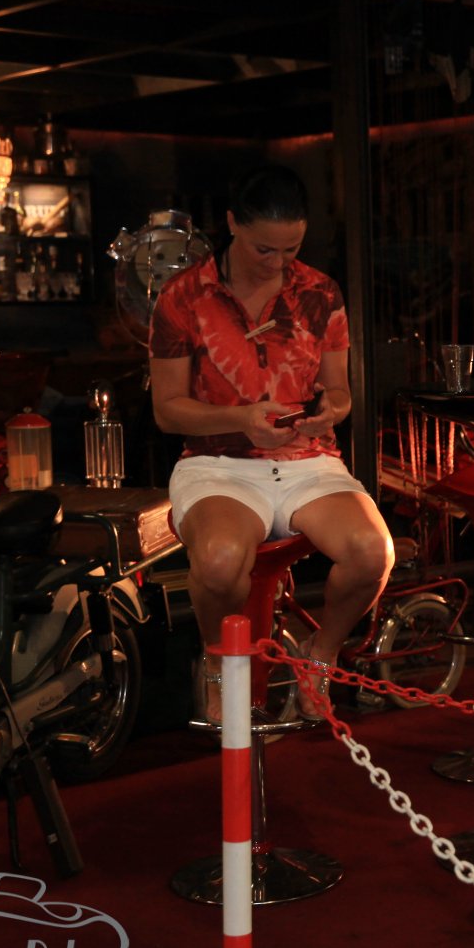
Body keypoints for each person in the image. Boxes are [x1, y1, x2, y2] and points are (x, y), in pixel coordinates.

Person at [148, 164, 393, 721]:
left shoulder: (319, 292)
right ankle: (218, 661)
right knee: (219, 561)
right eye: (265, 249)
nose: (279, 263)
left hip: (307, 461)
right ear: (232, 223)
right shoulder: (183, 297)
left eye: (291, 250)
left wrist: (329, 411)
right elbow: (167, 410)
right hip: (218, 464)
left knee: (372, 553)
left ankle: (320, 653)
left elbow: (340, 393)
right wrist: (240, 418)